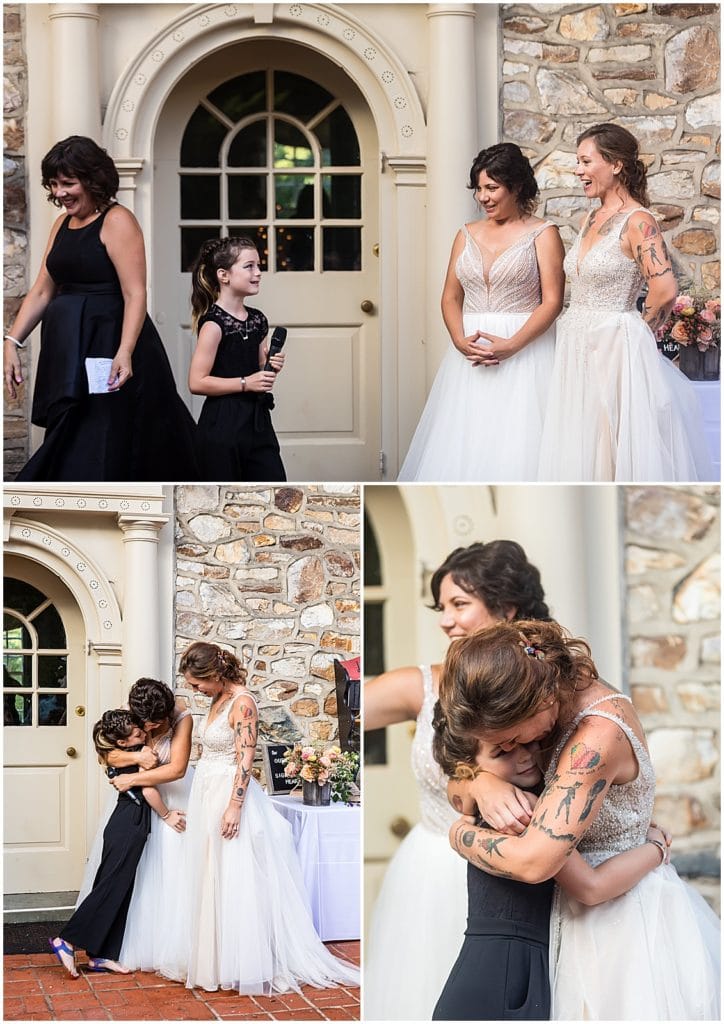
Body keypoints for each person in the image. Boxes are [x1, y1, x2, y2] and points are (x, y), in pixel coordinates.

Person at [437, 619, 720, 1020]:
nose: (512, 749)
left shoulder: (596, 737)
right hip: (560, 917)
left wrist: (458, 834)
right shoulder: (542, 698)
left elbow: (535, 861)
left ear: (539, 701)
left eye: (509, 739)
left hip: (618, 926)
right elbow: (457, 780)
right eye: (500, 747)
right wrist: (482, 782)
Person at [363, 540, 551, 1021]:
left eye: (459, 605)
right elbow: (345, 706)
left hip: (516, 876)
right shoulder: (422, 684)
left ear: (506, 608)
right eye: (441, 607)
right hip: (429, 872)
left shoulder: (551, 689)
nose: (445, 620)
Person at [432, 701, 671, 1019]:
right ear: (468, 767)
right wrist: (656, 849)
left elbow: (459, 785)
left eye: (528, 741)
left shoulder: (510, 794)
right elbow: (591, 886)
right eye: (502, 752)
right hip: (506, 970)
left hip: (512, 960)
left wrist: (479, 785)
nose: (524, 755)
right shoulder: (522, 812)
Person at [162, 642, 360, 994]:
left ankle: (242, 961)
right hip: (207, 789)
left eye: (197, 683)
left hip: (228, 793)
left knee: (234, 877)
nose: (195, 690)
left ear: (216, 675)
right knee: (210, 875)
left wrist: (234, 806)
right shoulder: (217, 699)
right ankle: (213, 958)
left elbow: (245, 758)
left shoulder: (244, 704)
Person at [3, 135, 199, 481]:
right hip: (67, 348)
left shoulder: (118, 220)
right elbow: (41, 291)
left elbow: (135, 293)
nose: (60, 193)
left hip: (108, 345)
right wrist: (11, 342)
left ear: (92, 179)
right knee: (72, 431)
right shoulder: (62, 225)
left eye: (68, 183)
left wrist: (125, 352)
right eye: (53, 184)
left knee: (104, 436)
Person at [538, 122, 714, 482]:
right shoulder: (592, 217)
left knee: (613, 443)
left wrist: (636, 331)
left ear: (616, 164)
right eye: (578, 162)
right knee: (582, 442)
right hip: (575, 343)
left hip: (612, 345)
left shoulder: (638, 222)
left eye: (586, 162)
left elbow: (664, 289)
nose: (578, 171)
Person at [398, 143, 564, 481]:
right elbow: (450, 296)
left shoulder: (543, 234)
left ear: (516, 186)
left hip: (526, 353)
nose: (483, 197)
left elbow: (552, 301)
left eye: (492, 188)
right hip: (470, 356)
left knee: (521, 441)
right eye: (478, 188)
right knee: (465, 442)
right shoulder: (466, 234)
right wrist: (459, 339)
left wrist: (512, 345)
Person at [49, 710, 182, 978]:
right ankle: (68, 940)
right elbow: (148, 789)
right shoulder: (136, 755)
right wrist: (167, 815)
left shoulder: (131, 750)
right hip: (128, 821)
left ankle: (102, 954)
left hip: (129, 820)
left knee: (122, 886)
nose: (143, 734)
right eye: (136, 734)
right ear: (122, 743)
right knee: (111, 885)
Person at [103, 678, 194, 974]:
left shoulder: (182, 718)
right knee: (135, 870)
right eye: (147, 724)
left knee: (175, 871)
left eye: (157, 723)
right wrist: (136, 756)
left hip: (172, 797)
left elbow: (177, 769)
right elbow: (108, 753)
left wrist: (132, 779)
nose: (151, 730)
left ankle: (171, 944)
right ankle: (126, 942)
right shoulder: (126, 715)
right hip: (138, 803)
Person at [188, 237, 286, 481]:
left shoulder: (257, 320)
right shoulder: (214, 324)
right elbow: (197, 382)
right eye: (249, 266)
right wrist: (245, 383)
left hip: (257, 422)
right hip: (223, 424)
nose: (258, 272)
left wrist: (271, 368)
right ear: (224, 275)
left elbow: (257, 372)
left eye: (259, 266)